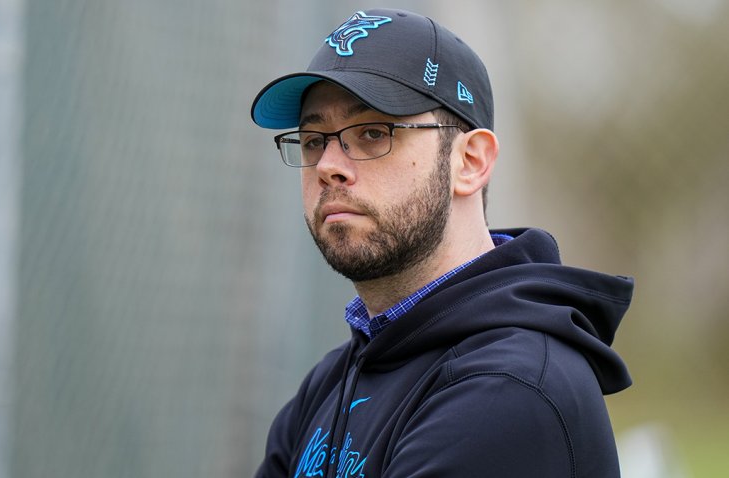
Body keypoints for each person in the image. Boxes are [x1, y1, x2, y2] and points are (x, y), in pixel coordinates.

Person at [250, 8, 633, 478]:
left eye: (372, 133)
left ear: (470, 161)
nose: (329, 164)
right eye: (312, 140)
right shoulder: (332, 381)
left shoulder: (508, 391)